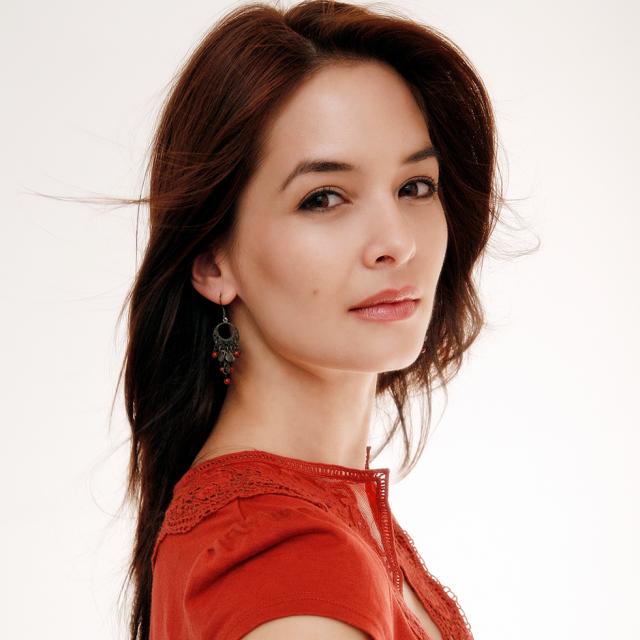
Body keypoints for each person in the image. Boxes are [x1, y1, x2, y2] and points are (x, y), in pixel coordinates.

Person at [116, 1, 505, 638]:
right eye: (323, 198)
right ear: (212, 260)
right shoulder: (279, 553)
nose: (395, 242)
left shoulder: (316, 519)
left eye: (415, 186)